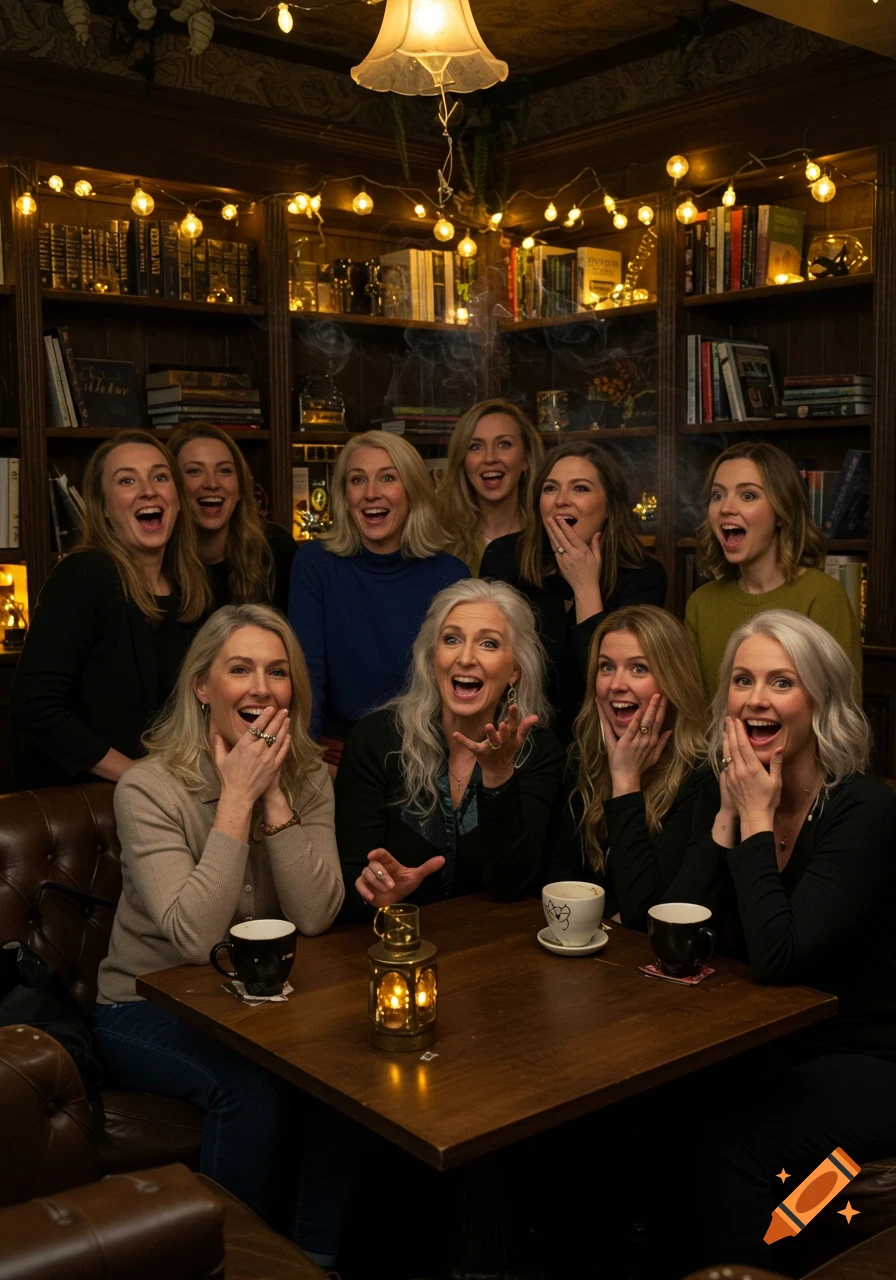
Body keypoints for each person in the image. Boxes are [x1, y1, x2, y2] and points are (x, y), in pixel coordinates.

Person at [95, 604, 347, 1269]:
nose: (262, 687)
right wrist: (236, 796)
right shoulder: (149, 788)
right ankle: (235, 1266)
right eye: (240, 669)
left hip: (254, 1004)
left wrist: (274, 795)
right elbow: (192, 937)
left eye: (277, 672)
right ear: (203, 687)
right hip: (145, 1006)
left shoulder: (309, 776)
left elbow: (317, 913)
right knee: (250, 1090)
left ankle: (312, 1260)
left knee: (343, 1079)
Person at [663, 610, 896, 1270]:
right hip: (771, 1045)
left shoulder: (864, 809)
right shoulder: (725, 787)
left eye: (781, 682)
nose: (756, 699)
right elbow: (675, 936)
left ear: (820, 702)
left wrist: (757, 822)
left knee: (732, 1141)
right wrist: (727, 816)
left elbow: (778, 954)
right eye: (742, 680)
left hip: (872, 1057)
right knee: (654, 1110)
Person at [335, 577, 565, 918]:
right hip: (397, 939)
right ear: (433, 657)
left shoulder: (538, 750)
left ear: (515, 670)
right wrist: (378, 894)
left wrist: (499, 776)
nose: (466, 657)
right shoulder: (375, 740)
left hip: (497, 943)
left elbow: (512, 886)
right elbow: (351, 881)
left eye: (488, 643)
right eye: (452, 639)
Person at [11, 430, 211, 787]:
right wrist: (141, 780)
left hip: (176, 789)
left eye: (160, 477)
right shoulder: (84, 575)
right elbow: (35, 706)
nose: (148, 491)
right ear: (103, 507)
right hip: (94, 799)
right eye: (127, 480)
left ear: (178, 499)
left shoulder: (193, 587)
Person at [289, 430, 468, 766]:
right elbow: (306, 675)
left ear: (412, 490)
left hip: (424, 753)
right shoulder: (314, 564)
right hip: (335, 757)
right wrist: (306, 770)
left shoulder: (450, 574)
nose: (371, 493)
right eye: (357, 480)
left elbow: (457, 685)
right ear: (344, 495)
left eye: (387, 478)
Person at [480, 441, 667, 739]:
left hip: (603, 735)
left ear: (609, 506)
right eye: (550, 488)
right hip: (519, 733)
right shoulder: (504, 558)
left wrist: (584, 585)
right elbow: (490, 665)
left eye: (580, 488)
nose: (561, 500)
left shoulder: (644, 576)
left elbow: (615, 686)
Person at [544, 606, 709, 930]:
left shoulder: (700, 779)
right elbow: (557, 878)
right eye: (607, 667)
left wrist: (625, 781)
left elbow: (644, 913)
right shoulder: (582, 758)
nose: (616, 684)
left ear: (673, 680)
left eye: (638, 668)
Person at [685, 441, 861, 697]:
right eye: (718, 495)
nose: (726, 508)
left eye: (748, 495)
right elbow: (693, 709)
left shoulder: (823, 597)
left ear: (781, 512)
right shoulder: (701, 603)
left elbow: (842, 709)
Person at [170, 423, 296, 613]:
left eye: (225, 471)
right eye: (194, 471)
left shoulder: (277, 548)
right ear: (171, 486)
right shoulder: (158, 561)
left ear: (240, 488)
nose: (212, 483)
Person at [437, 399, 545, 575]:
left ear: (526, 459)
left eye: (504, 444)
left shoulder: (548, 536)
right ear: (462, 461)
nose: (489, 458)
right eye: (475, 447)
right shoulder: (438, 539)